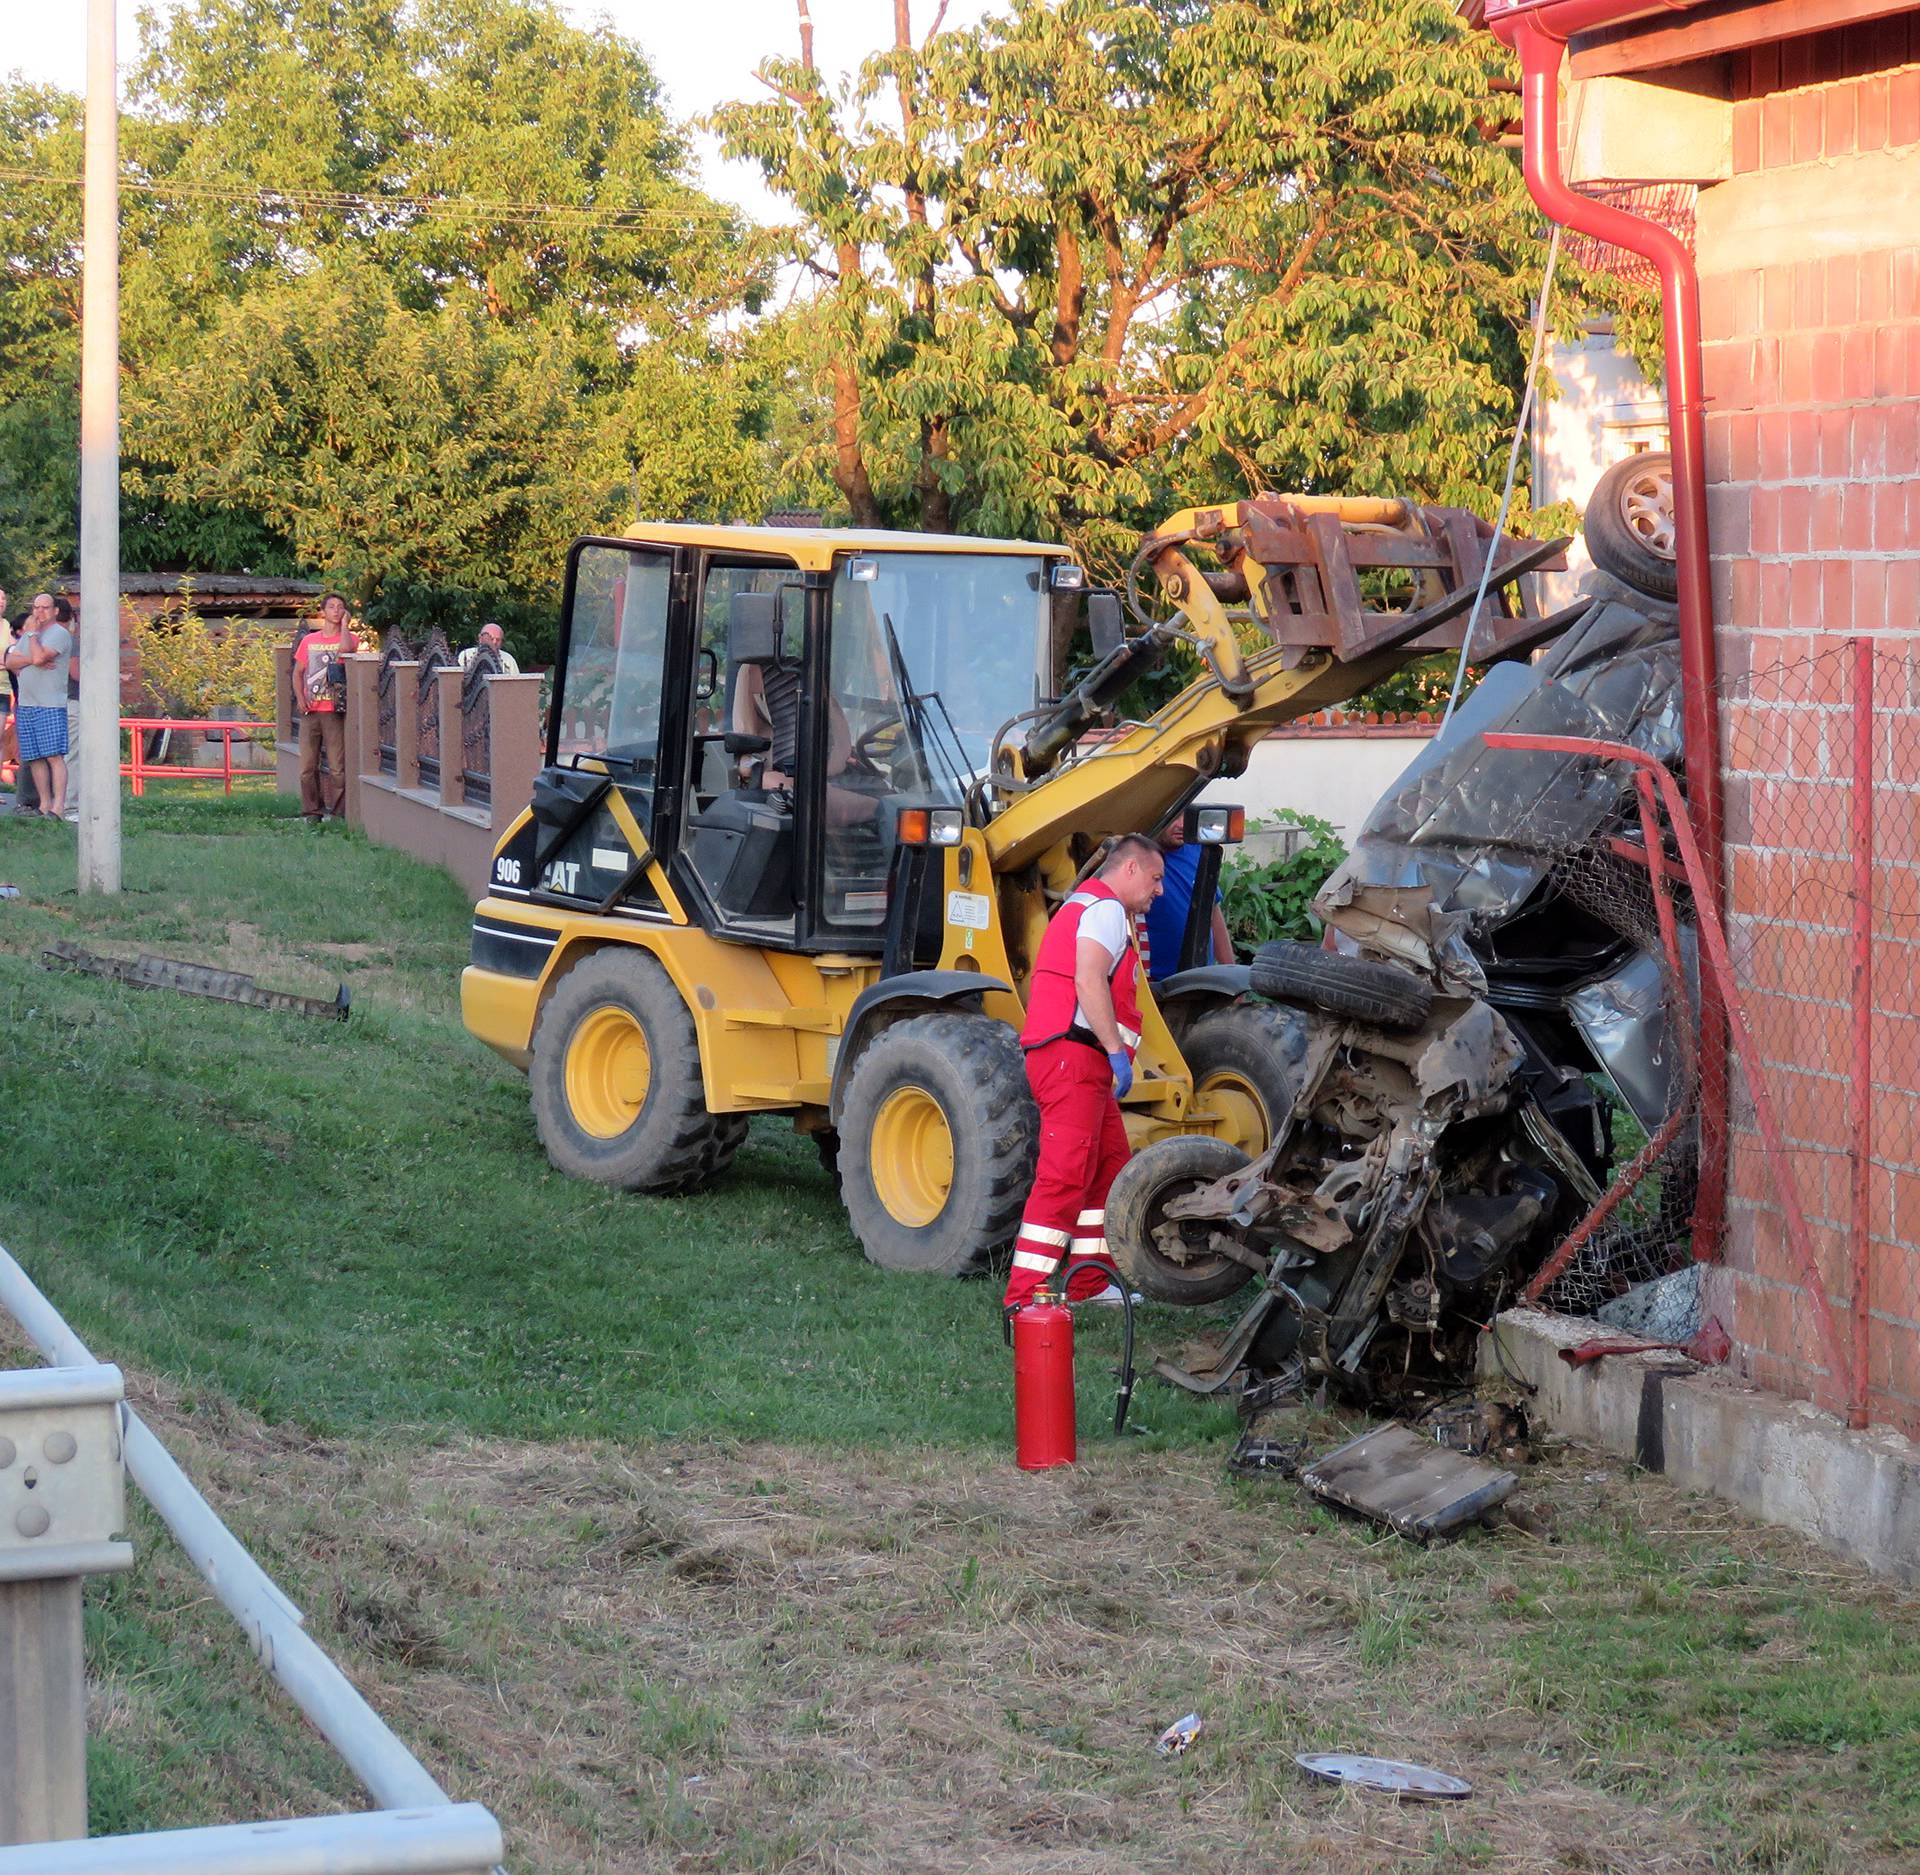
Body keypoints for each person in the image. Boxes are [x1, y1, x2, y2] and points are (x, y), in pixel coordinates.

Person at [1004, 833, 1165, 1309]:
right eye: (1155, 878)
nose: (1159, 890)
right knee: (1065, 1177)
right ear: (1130, 869)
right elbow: (1089, 976)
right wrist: (1116, 1050)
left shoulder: (1086, 905)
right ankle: (1025, 1297)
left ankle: (1088, 1284)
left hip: (1076, 1059)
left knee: (1108, 1165)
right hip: (1073, 1057)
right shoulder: (1107, 909)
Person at [4, 591, 73, 819]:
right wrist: (32, 657)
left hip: (50, 704)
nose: (39, 612)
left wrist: (33, 640)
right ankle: (43, 805)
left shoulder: (59, 634)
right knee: (33, 757)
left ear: (55, 611)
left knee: (53, 756)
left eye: (45, 607)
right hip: (26, 704)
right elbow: (10, 661)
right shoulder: (28, 636)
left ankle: (58, 807)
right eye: (36, 607)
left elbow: (42, 658)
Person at [1141, 817, 1235, 980]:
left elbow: (1212, 912)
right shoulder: (1137, 859)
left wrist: (1232, 975)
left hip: (1200, 980)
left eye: (1186, 814)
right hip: (1153, 985)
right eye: (1173, 817)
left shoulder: (1199, 851)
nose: (1182, 825)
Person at [293, 593, 358, 824]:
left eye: (341, 607)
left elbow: (346, 652)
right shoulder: (308, 641)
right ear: (323, 612)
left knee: (337, 767)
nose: (336, 610)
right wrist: (300, 697)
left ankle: (339, 814)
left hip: (334, 710)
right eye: (331, 607)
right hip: (311, 711)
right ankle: (312, 813)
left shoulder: (350, 637)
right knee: (306, 768)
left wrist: (344, 626)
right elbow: (298, 672)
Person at [456, 622, 520, 676]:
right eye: (491, 639)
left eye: (498, 640)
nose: (494, 642)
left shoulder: (509, 660)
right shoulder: (466, 655)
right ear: (480, 639)